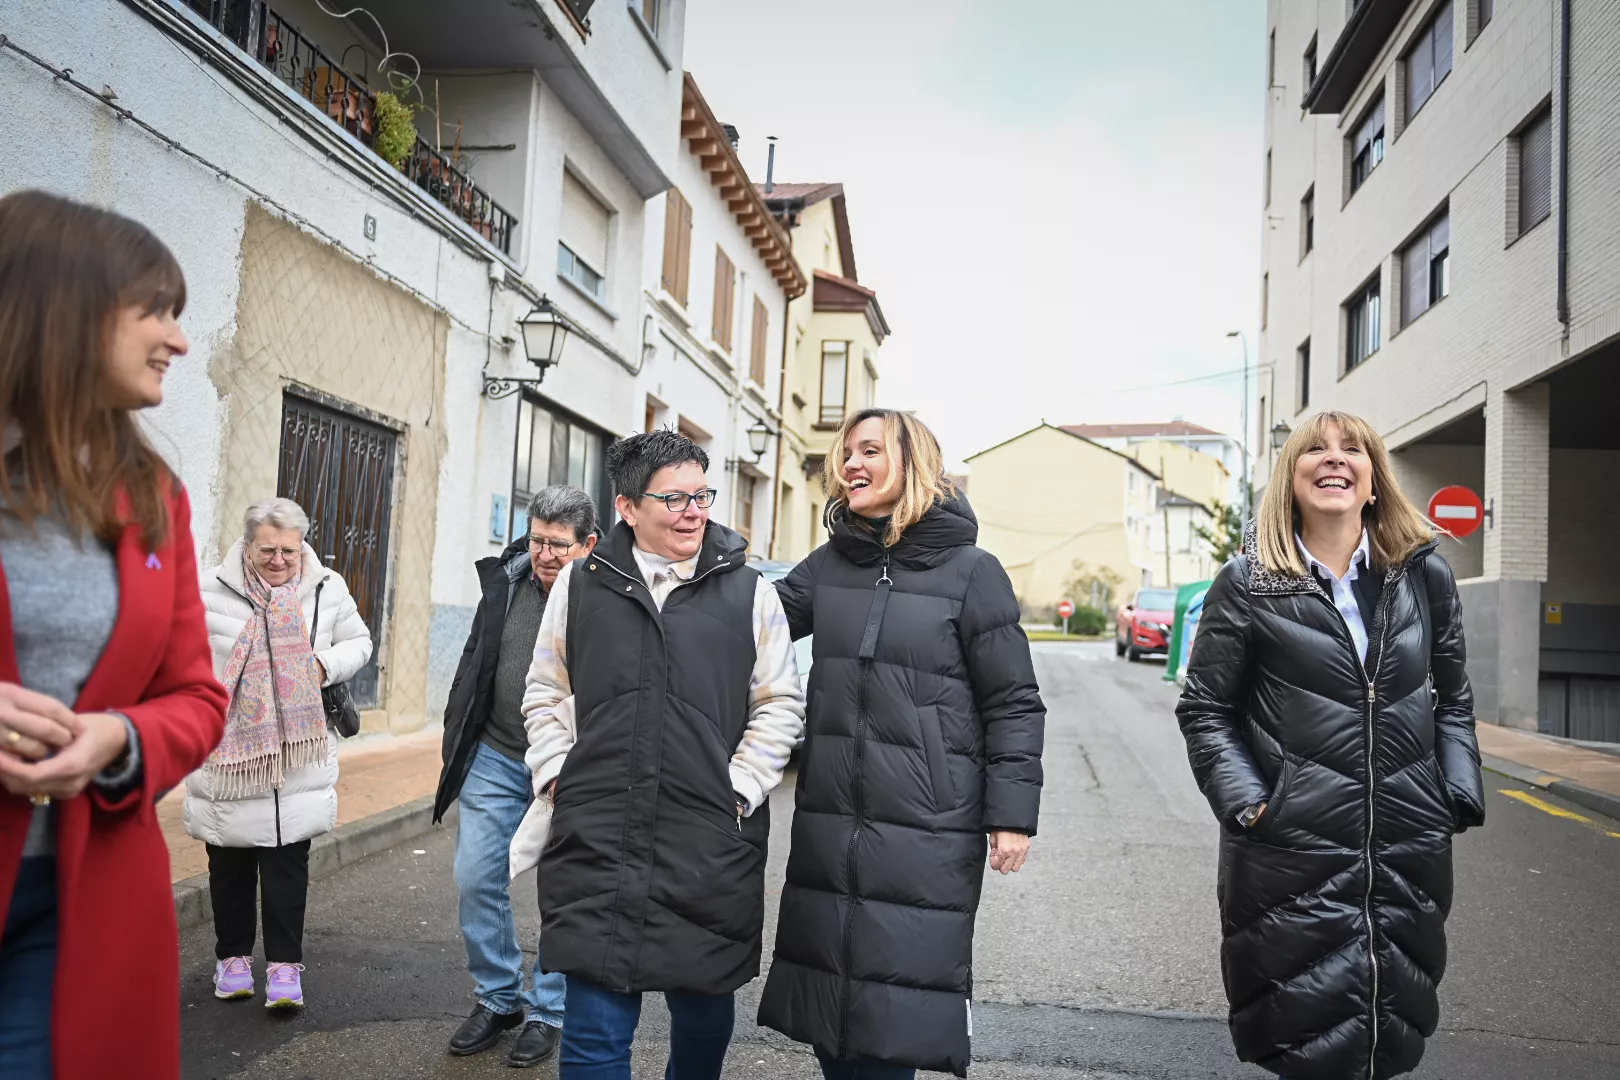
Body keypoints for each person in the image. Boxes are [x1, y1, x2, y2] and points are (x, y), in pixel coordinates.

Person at [1175, 410, 1485, 1080]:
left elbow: (1454, 698)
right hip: (1290, 852)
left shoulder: (1425, 577)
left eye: (1352, 450)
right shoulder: (1250, 582)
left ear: (1375, 480)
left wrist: (1454, 793)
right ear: (1292, 478)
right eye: (1314, 449)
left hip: (1407, 845)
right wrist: (1254, 806)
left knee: (1387, 1032)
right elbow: (1206, 709)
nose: (1334, 458)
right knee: (1307, 1042)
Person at [0, 190, 229, 1078]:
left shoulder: (153, 495)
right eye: (158, 311)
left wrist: (119, 737)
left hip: (80, 901)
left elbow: (197, 697)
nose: (178, 338)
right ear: (67, 307)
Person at [757, 408, 1046, 1080]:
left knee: (894, 1019)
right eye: (845, 455)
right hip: (831, 822)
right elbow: (752, 623)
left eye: (868, 451)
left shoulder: (974, 572)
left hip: (927, 827)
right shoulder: (829, 564)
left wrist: (1010, 814)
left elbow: (1013, 701)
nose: (849, 465)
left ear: (912, 462)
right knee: (829, 1013)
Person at [516, 429, 805, 1080]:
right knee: (593, 1032)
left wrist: (737, 789)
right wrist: (560, 775)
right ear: (627, 507)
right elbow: (544, 688)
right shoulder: (580, 586)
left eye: (701, 494)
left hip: (707, 842)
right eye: (674, 498)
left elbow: (780, 701)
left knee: (702, 1020)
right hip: (597, 835)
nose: (694, 510)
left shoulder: (749, 593)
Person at [433, 485, 599, 1068]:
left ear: (588, 544)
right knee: (476, 876)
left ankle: (549, 1009)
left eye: (558, 544)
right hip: (498, 753)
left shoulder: (603, 595)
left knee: (563, 889)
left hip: (569, 768)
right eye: (537, 541)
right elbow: (477, 657)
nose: (545, 554)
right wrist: (460, 730)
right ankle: (499, 997)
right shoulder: (507, 580)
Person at [186, 497, 373, 1010]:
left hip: (296, 754)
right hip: (229, 751)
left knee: (289, 862)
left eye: (288, 551)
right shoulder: (207, 590)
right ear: (247, 544)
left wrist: (321, 665)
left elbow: (360, 641)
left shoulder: (326, 588)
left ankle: (286, 968)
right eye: (267, 549)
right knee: (229, 861)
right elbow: (179, 652)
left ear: (302, 545)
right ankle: (233, 959)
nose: (278, 560)